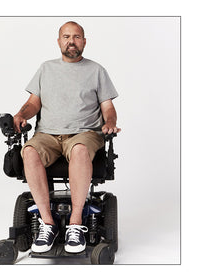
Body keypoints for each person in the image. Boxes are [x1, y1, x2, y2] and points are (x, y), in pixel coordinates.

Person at [13, 21, 120, 254]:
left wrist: (110, 122)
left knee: (80, 149)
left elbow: (107, 107)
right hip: (48, 135)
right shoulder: (45, 68)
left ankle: (75, 222)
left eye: (77, 36)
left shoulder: (96, 70)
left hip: (85, 133)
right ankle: (48, 224)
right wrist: (21, 114)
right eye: (66, 36)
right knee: (29, 151)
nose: (71, 41)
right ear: (59, 41)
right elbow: (33, 103)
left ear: (84, 41)